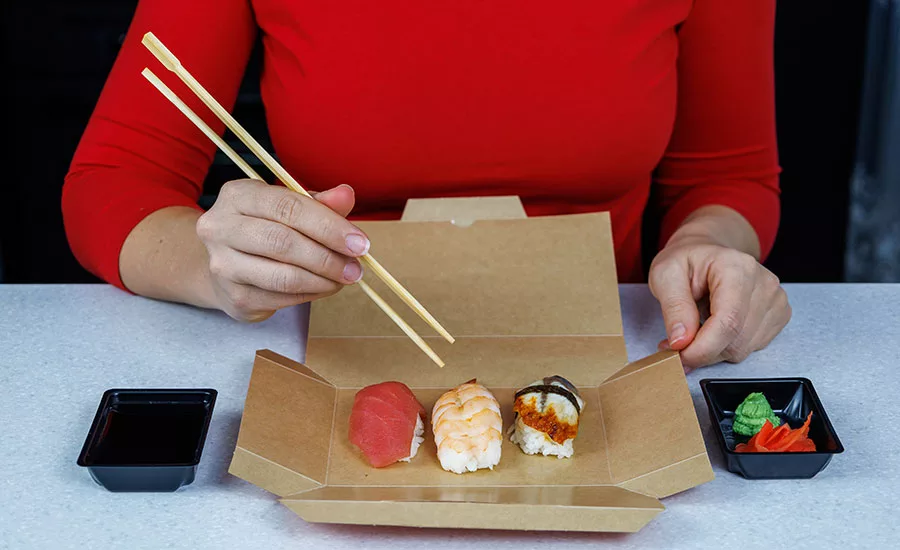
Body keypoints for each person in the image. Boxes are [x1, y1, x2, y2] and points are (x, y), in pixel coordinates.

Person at [62, 0, 791, 371]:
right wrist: (214, 268)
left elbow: (727, 173)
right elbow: (114, 181)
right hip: (322, 353)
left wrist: (710, 243)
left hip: (622, 355)